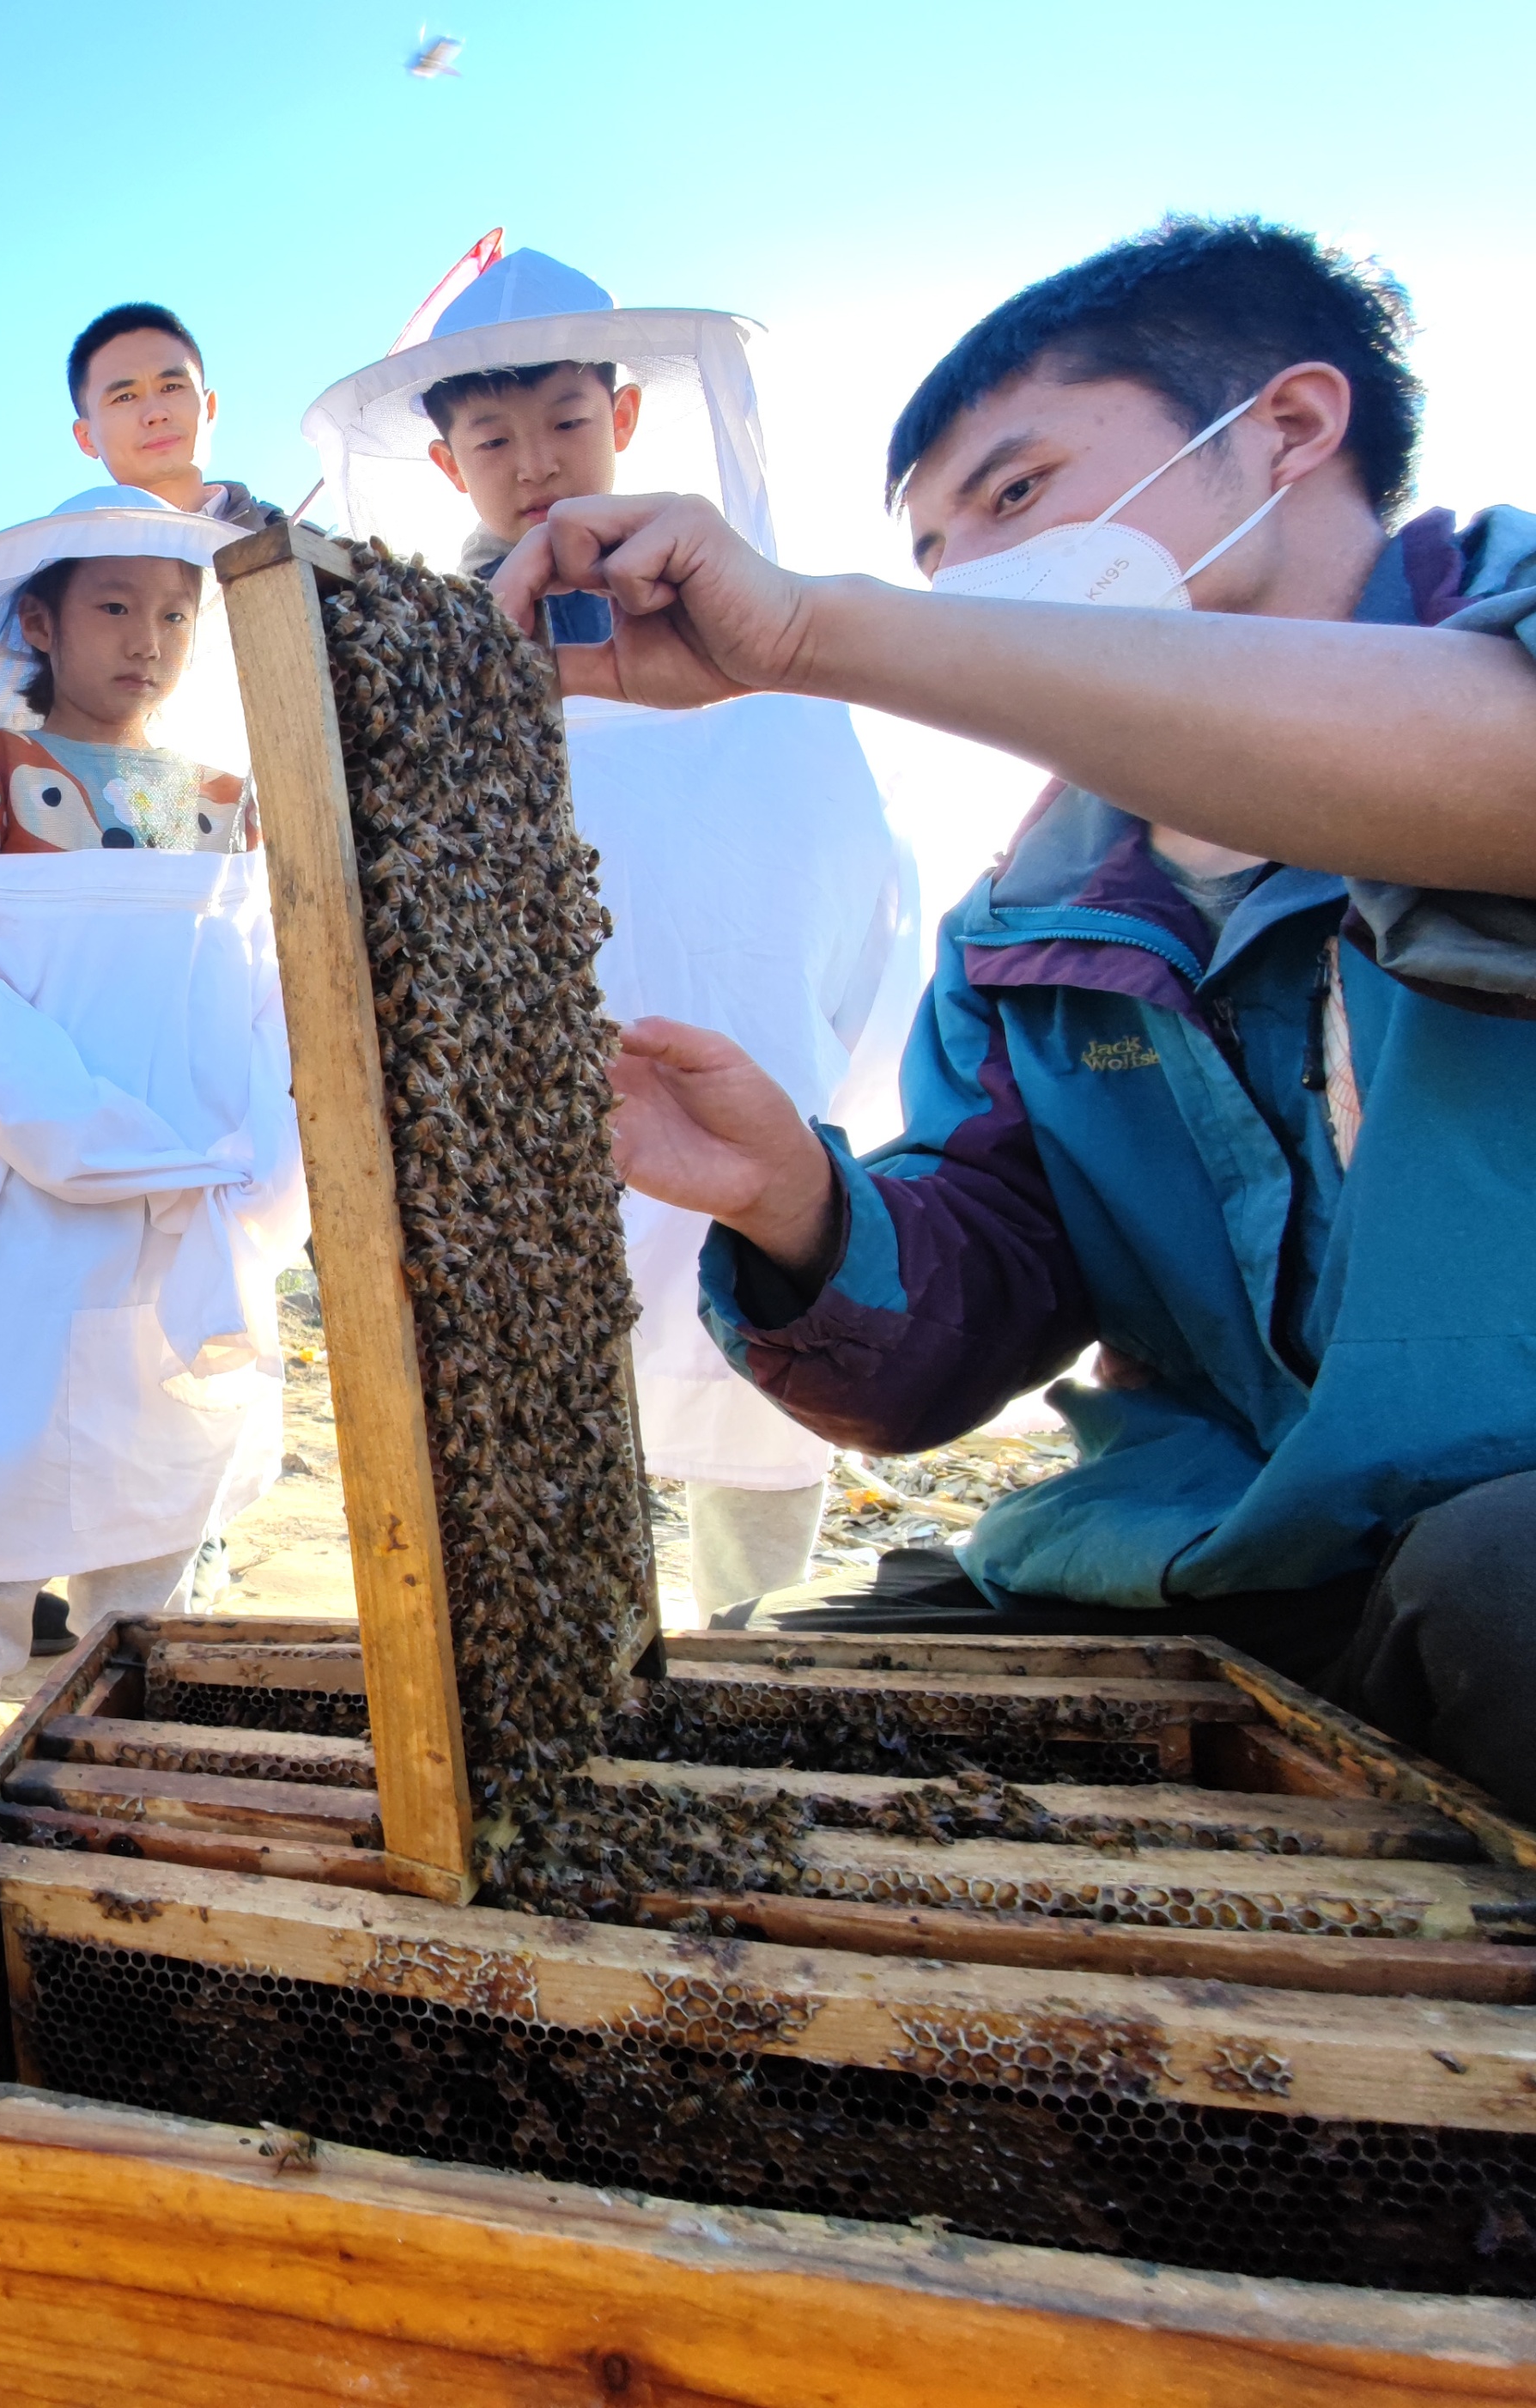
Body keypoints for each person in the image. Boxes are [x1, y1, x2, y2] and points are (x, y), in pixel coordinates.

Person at [501, 219, 1536, 1815]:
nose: (974, 579)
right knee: (751, 1745)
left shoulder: (1500, 633)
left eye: (1012, 492)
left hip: (1492, 1569)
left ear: (1283, 426)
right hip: (1224, 1551)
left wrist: (813, 630)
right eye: (929, 558)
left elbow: (1497, 774)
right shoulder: (1022, 922)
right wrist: (794, 1203)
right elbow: (966, 1311)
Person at [305, 247, 921, 1615]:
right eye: (491, 436)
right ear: (442, 458)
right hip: (516, 1123)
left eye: (565, 422)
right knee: (530, 1464)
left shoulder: (757, 626)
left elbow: (845, 866)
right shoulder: (425, 651)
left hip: (743, 1085)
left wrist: (837, 1083)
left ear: (624, 418)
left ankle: (749, 1650)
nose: (532, 462)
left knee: (763, 1417)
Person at [0, 491, 307, 1870]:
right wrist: (95, 1135)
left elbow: (255, 989)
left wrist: (255, 1166)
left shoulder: (220, 800)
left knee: (162, 1483)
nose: (151, 638)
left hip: (199, 1210)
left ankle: (113, 1760)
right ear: (40, 621)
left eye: (177, 612)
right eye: (116, 606)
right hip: (32, 1213)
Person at [67, 303, 286, 527]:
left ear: (209, 408)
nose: (156, 414)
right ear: (86, 437)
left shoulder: (304, 543)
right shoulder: (59, 557)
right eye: (125, 397)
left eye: (171, 387)